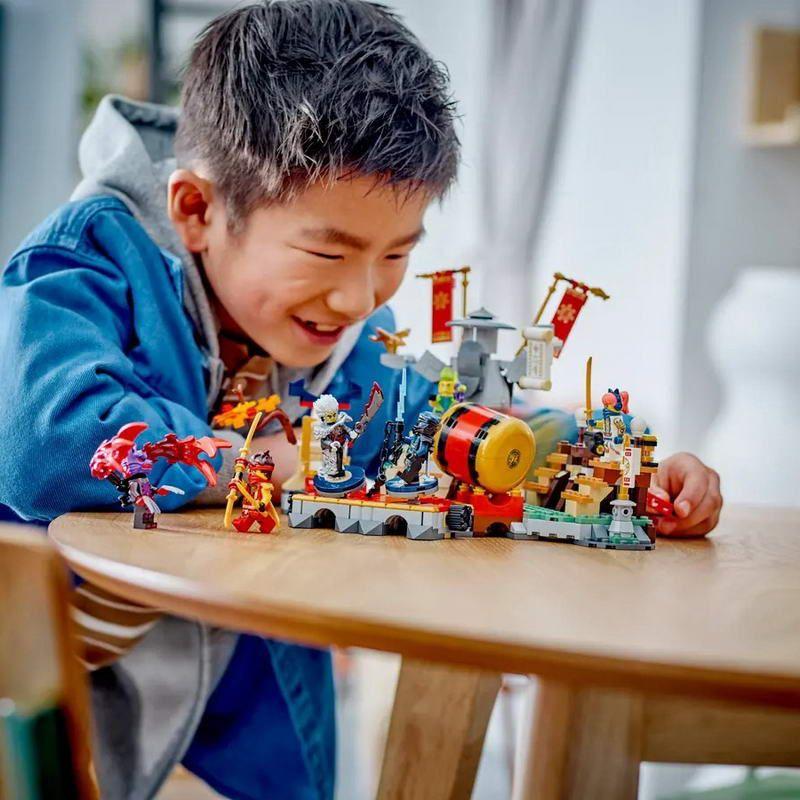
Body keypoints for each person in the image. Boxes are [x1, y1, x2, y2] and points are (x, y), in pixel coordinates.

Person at [0, 1, 722, 797]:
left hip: (246, 729)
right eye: (326, 253)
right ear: (197, 211)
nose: (358, 298)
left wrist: (616, 467)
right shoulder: (87, 262)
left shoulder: (354, 345)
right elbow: (45, 444)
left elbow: (461, 427)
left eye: (395, 255)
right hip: (42, 710)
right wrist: (264, 461)